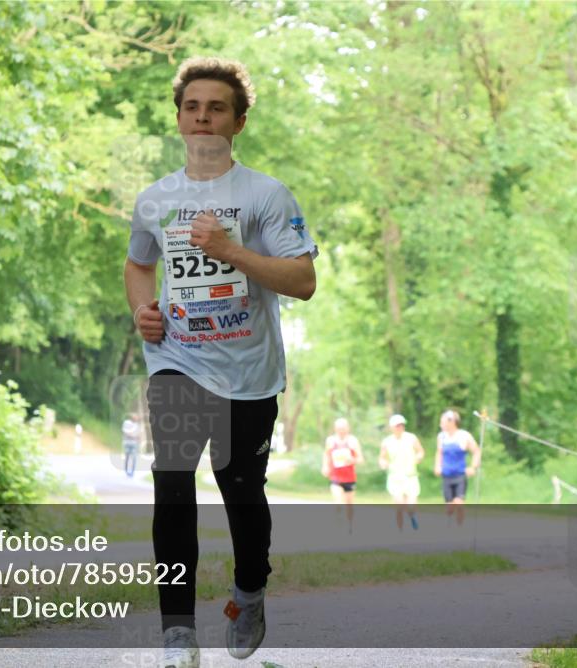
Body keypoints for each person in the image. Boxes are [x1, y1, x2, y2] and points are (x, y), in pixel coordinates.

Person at [123, 56, 318, 668]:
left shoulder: (265, 194)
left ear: (238, 122)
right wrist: (141, 312)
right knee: (172, 484)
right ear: (179, 117)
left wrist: (230, 250)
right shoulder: (156, 198)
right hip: (176, 360)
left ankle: (249, 590)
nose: (203, 117)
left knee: (241, 493)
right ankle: (177, 634)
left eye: (217, 108)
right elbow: (138, 265)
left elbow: (303, 280)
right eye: (192, 106)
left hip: (248, 370)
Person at [433, 409, 481, 526]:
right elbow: (439, 452)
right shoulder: (441, 437)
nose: (441, 424)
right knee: (449, 506)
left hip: (460, 475)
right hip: (446, 475)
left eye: (443, 422)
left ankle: (460, 526)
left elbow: (476, 451)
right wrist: (437, 466)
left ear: (452, 422)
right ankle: (450, 526)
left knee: (458, 502)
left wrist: (473, 467)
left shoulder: (464, 436)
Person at [379, 414, 424, 532]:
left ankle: (413, 519)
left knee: (411, 504)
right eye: (397, 426)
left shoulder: (411, 438)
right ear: (392, 427)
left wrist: (418, 458)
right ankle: (400, 529)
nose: (400, 427)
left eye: (402, 425)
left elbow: (420, 451)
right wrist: (383, 463)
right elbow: (382, 457)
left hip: (410, 475)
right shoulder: (387, 441)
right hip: (395, 476)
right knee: (399, 504)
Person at [321, 418, 363, 533]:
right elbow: (326, 455)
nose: (341, 431)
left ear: (348, 428)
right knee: (339, 501)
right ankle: (339, 525)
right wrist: (325, 466)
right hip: (335, 477)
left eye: (343, 428)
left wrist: (352, 459)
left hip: (349, 478)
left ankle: (350, 525)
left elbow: (360, 459)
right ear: (335, 429)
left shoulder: (353, 441)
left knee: (349, 504)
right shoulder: (330, 440)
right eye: (339, 428)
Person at [122, 412, 142, 478]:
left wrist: (138, 439)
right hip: (127, 443)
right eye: (134, 417)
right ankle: (126, 471)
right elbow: (125, 432)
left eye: (136, 418)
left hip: (134, 444)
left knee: (134, 458)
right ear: (131, 418)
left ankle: (132, 472)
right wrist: (133, 435)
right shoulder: (126, 423)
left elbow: (139, 435)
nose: (135, 419)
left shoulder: (137, 425)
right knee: (127, 457)